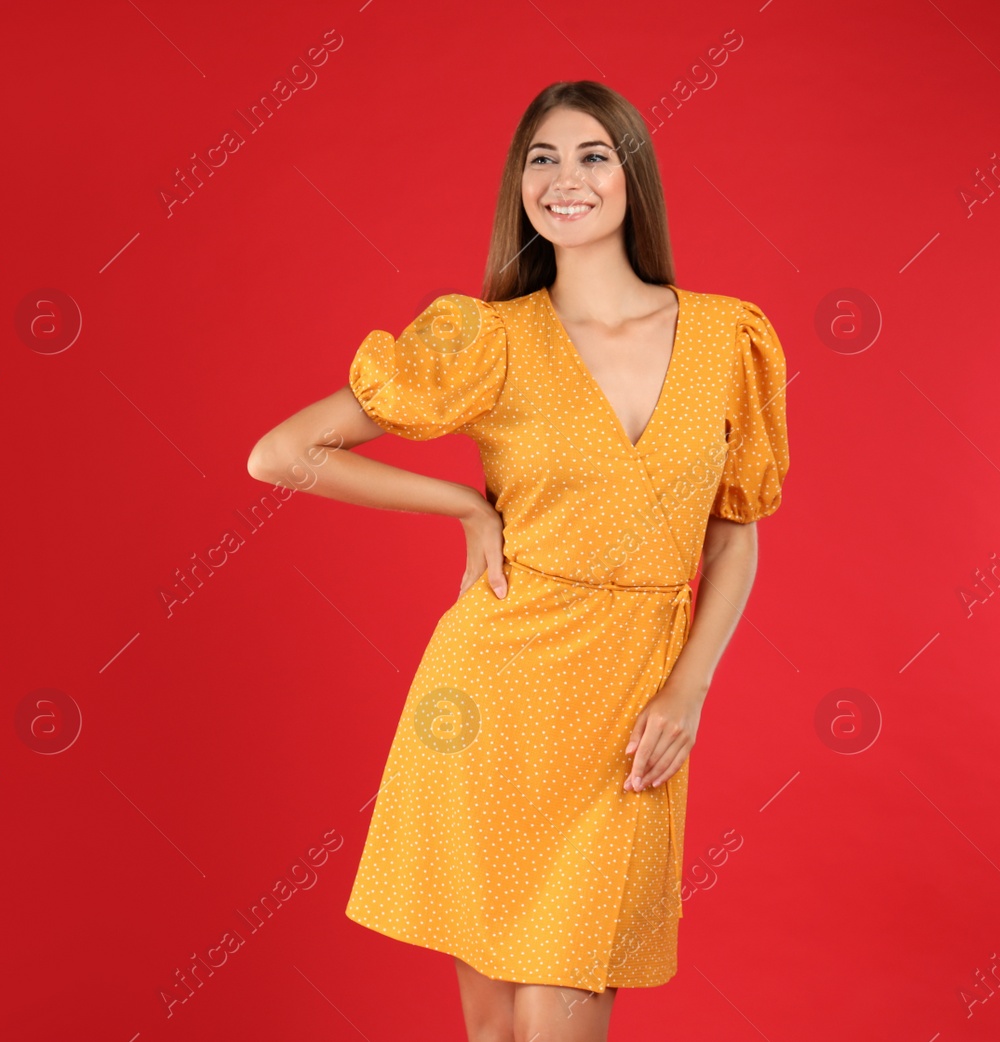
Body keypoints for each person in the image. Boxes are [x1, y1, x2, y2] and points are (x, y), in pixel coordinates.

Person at [245, 80, 791, 1042]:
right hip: (494, 699)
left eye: (592, 155)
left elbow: (735, 530)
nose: (564, 178)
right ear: (519, 184)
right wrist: (459, 502)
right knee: (498, 1029)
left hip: (633, 707)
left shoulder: (728, 338)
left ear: (633, 177)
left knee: (562, 1012)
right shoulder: (487, 336)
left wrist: (689, 689)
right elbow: (282, 453)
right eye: (542, 157)